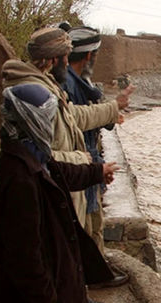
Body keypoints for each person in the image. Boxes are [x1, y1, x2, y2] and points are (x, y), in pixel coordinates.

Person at [1, 26, 130, 303]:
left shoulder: (44, 84)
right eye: (66, 54)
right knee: (51, 267)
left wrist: (109, 109)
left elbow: (71, 119)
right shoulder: (35, 93)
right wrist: (89, 164)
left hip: (62, 183)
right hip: (56, 187)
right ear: (58, 59)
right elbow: (49, 154)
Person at [0, 83, 119, 303]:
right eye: (46, 117)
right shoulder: (18, 174)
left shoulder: (28, 154)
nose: (50, 125)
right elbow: (23, 250)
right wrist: (42, 293)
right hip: (28, 286)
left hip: (36, 281)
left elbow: (60, 172)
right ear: (31, 120)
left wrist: (96, 172)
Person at [62, 26, 111, 253]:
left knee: (94, 225)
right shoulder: (69, 84)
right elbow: (78, 120)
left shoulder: (81, 82)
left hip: (87, 165)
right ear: (89, 56)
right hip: (79, 166)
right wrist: (112, 108)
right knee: (85, 228)